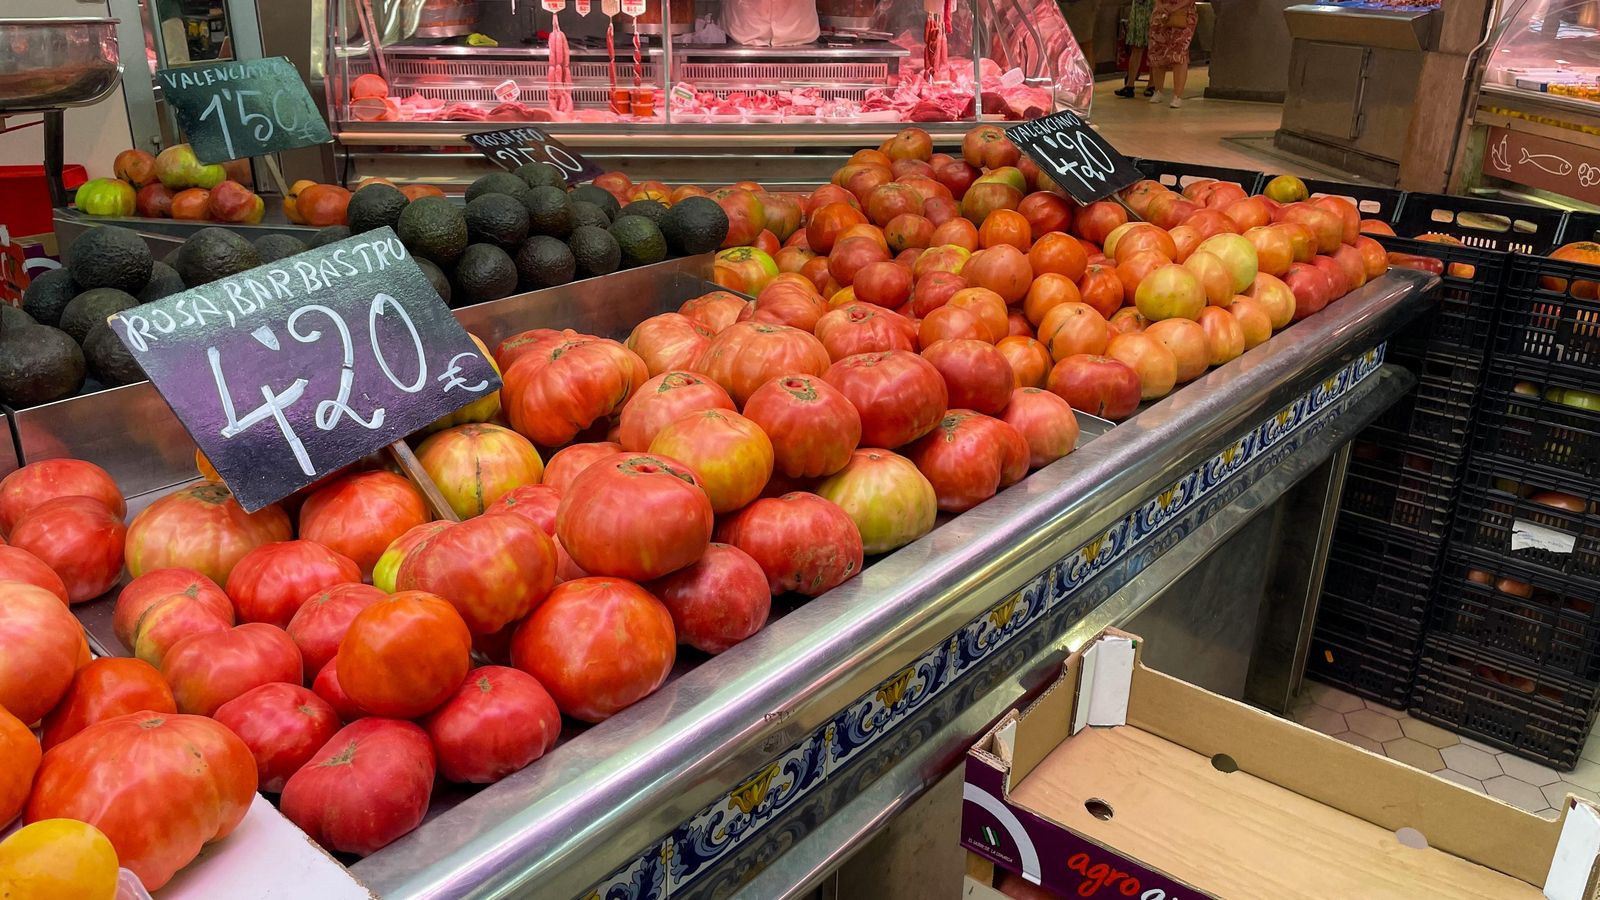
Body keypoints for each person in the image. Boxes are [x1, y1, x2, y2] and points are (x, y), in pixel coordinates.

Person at [1146, 0, 1196, 108]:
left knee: (1179, 52)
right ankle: (1158, 90)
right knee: (1157, 50)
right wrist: (1159, 5)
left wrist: (1175, 7)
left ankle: (1177, 95)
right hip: (1161, 14)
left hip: (1183, 14)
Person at [1113, 0, 1152, 99]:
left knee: (1153, 49)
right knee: (1136, 48)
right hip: (1139, 12)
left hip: (1151, 9)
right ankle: (1130, 85)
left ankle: (1152, 84)